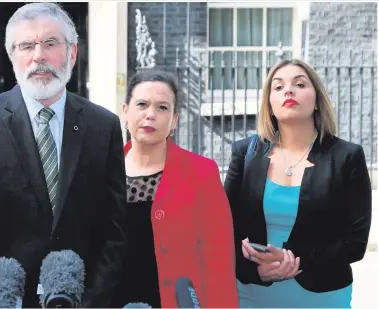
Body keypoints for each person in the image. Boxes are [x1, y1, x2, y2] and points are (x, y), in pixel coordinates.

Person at [0, 3, 127, 308]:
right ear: (12, 56)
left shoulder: (104, 126)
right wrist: (4, 300)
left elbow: (115, 230)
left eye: (50, 43)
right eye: (26, 45)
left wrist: (91, 300)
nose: (38, 55)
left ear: (72, 53)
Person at [224, 58, 372, 308]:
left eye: (299, 84)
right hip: (253, 294)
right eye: (278, 87)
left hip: (323, 296)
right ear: (269, 104)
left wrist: (294, 258)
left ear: (317, 100)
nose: (288, 91)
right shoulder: (245, 153)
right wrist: (253, 271)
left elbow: (355, 243)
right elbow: (223, 231)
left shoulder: (347, 156)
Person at [110, 70, 239, 308]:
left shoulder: (201, 173)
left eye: (162, 108)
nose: (151, 114)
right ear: (125, 112)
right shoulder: (104, 170)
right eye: (142, 104)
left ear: (174, 120)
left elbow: (219, 261)